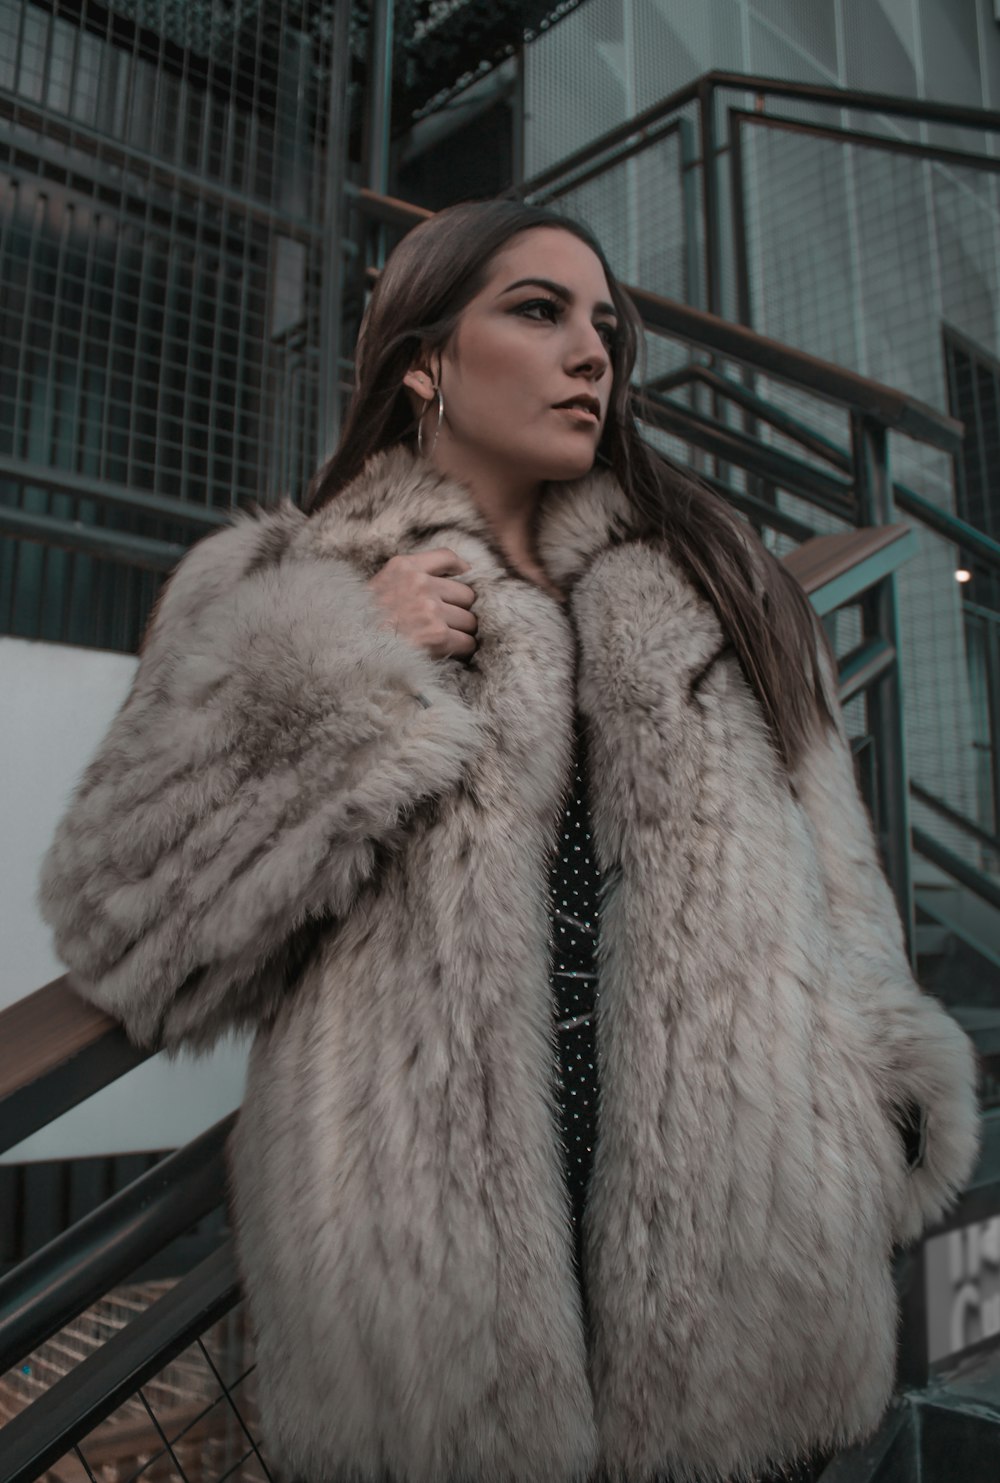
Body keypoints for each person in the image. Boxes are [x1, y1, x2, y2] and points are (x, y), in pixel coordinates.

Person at [39, 199, 980, 1483]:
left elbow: (841, 883)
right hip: (429, 1331)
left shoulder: (715, 584)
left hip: (751, 1294)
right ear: (423, 359)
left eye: (604, 325)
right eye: (537, 313)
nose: (591, 351)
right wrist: (350, 657)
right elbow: (128, 923)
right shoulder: (276, 587)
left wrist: (875, 1129)